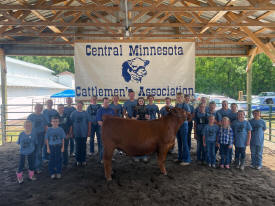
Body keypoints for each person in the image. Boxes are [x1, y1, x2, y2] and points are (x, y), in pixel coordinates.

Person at [27, 103, 47, 174]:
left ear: (41, 109)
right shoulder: (30, 116)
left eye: (40, 108)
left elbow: (45, 126)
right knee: (31, 151)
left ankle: (37, 167)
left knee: (39, 151)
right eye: (38, 107)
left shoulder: (43, 116)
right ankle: (32, 167)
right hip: (32, 136)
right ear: (35, 108)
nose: (39, 109)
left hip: (41, 135)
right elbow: (27, 126)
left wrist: (46, 136)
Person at [70, 101, 91, 166]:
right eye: (78, 105)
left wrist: (89, 131)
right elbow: (71, 124)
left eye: (80, 105)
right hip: (76, 133)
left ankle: (83, 160)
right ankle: (78, 160)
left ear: (83, 106)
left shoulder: (86, 113)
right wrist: (71, 132)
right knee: (77, 147)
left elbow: (89, 123)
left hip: (84, 133)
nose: (79, 107)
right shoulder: (73, 113)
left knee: (84, 147)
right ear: (76, 106)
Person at [96, 97, 115, 163]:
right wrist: (107, 126)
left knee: (111, 145)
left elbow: (113, 121)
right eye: (105, 102)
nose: (106, 104)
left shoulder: (112, 110)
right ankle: (102, 158)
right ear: (103, 103)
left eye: (107, 102)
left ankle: (110, 157)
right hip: (103, 131)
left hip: (111, 131)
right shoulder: (99, 110)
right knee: (103, 145)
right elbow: (99, 122)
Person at [175, 93, 191, 166]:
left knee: (184, 142)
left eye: (180, 97)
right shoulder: (177, 105)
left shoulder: (185, 105)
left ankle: (187, 159)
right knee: (179, 142)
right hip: (177, 125)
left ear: (182, 98)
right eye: (177, 97)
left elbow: (188, 114)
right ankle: (180, 157)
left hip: (184, 124)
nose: (178, 98)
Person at [132, 97, 150, 162]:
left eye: (142, 101)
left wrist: (147, 117)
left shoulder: (146, 108)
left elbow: (148, 118)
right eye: (139, 101)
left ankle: (144, 156)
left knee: (144, 142)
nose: (141, 102)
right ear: (138, 102)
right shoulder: (135, 108)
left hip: (144, 126)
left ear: (144, 102)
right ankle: (136, 156)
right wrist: (135, 118)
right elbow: (132, 118)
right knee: (137, 142)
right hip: (137, 126)